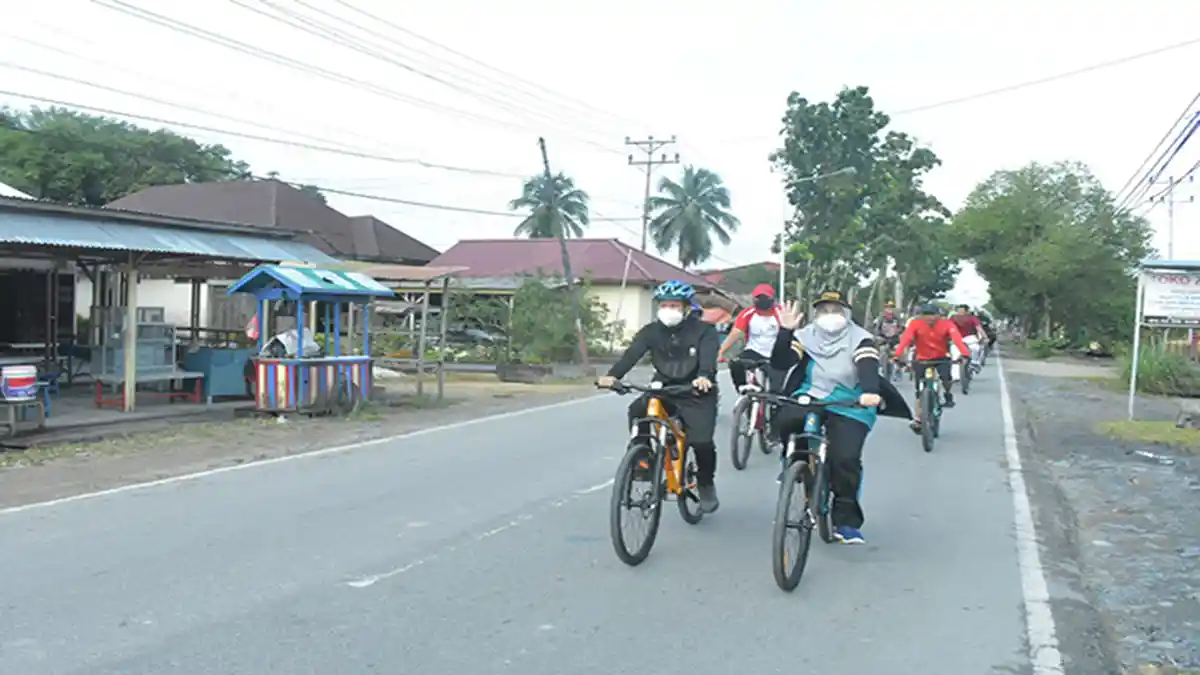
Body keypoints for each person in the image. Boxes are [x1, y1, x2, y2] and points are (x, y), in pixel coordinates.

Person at [769, 291, 911, 544]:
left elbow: (867, 365)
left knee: (845, 459)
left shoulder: (861, 339)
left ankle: (846, 521)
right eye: (824, 311)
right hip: (811, 395)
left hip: (851, 402)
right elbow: (781, 362)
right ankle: (794, 463)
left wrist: (870, 391)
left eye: (835, 310)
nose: (830, 316)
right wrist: (785, 332)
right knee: (786, 418)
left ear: (846, 313)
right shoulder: (805, 336)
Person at [597, 280, 722, 513]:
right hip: (664, 388)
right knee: (637, 411)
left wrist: (704, 376)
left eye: (674, 306)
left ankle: (705, 483)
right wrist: (612, 376)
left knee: (701, 442)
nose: (668, 310)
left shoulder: (705, 331)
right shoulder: (651, 332)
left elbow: (708, 359)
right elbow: (631, 356)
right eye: (664, 305)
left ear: (686, 308)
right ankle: (643, 458)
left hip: (696, 391)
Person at [892, 302, 970, 432]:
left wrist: (965, 354)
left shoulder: (947, 324)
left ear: (938, 315)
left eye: (933, 314)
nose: (930, 318)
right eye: (926, 315)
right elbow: (906, 340)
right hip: (922, 359)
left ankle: (947, 394)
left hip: (941, 358)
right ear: (921, 316)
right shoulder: (915, 324)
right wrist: (897, 355)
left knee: (946, 378)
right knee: (919, 391)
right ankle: (918, 418)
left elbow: (957, 339)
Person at [719, 283, 781, 393]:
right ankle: (742, 388)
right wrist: (720, 351)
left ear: (772, 298)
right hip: (754, 351)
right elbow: (735, 334)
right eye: (758, 298)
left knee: (777, 389)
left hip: (776, 354)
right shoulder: (747, 313)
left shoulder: (781, 313)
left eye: (765, 297)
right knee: (736, 363)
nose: (761, 300)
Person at [950, 304, 987, 369]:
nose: (960, 312)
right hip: (968, 338)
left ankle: (973, 363)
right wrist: (985, 337)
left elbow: (948, 328)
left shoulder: (954, 318)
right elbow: (979, 329)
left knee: (954, 354)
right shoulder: (972, 318)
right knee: (976, 348)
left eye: (961, 310)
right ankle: (974, 363)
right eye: (959, 311)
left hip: (962, 338)